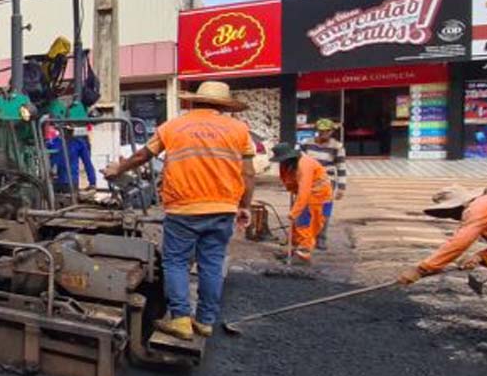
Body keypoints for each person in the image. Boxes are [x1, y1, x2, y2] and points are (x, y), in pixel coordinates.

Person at [103, 81, 256, 341]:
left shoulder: (173, 126)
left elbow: (142, 156)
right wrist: (245, 205)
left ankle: (181, 320)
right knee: (211, 263)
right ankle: (206, 321)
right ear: (223, 106)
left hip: (183, 208)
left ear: (194, 102)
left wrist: (118, 169)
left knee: (176, 262)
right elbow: (248, 173)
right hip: (223, 208)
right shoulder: (239, 129)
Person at [398, 185, 487, 284]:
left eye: (450, 212)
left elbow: (460, 241)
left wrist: (421, 269)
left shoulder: (480, 206)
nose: (452, 217)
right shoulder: (484, 215)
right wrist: (481, 257)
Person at [270, 142, 334, 265]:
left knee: (305, 224)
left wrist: (295, 211)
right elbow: (287, 180)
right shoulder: (287, 164)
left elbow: (304, 190)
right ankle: (293, 249)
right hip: (304, 194)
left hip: (319, 196)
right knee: (297, 224)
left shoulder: (305, 165)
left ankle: (303, 254)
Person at [299, 118, 347, 250]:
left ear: (331, 131)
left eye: (326, 132)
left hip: (327, 183)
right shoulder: (306, 144)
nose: (323, 135)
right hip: (308, 182)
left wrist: (342, 187)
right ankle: (305, 237)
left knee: (324, 212)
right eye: (321, 132)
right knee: (305, 210)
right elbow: (298, 161)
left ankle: (321, 238)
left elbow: (341, 167)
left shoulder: (337, 146)